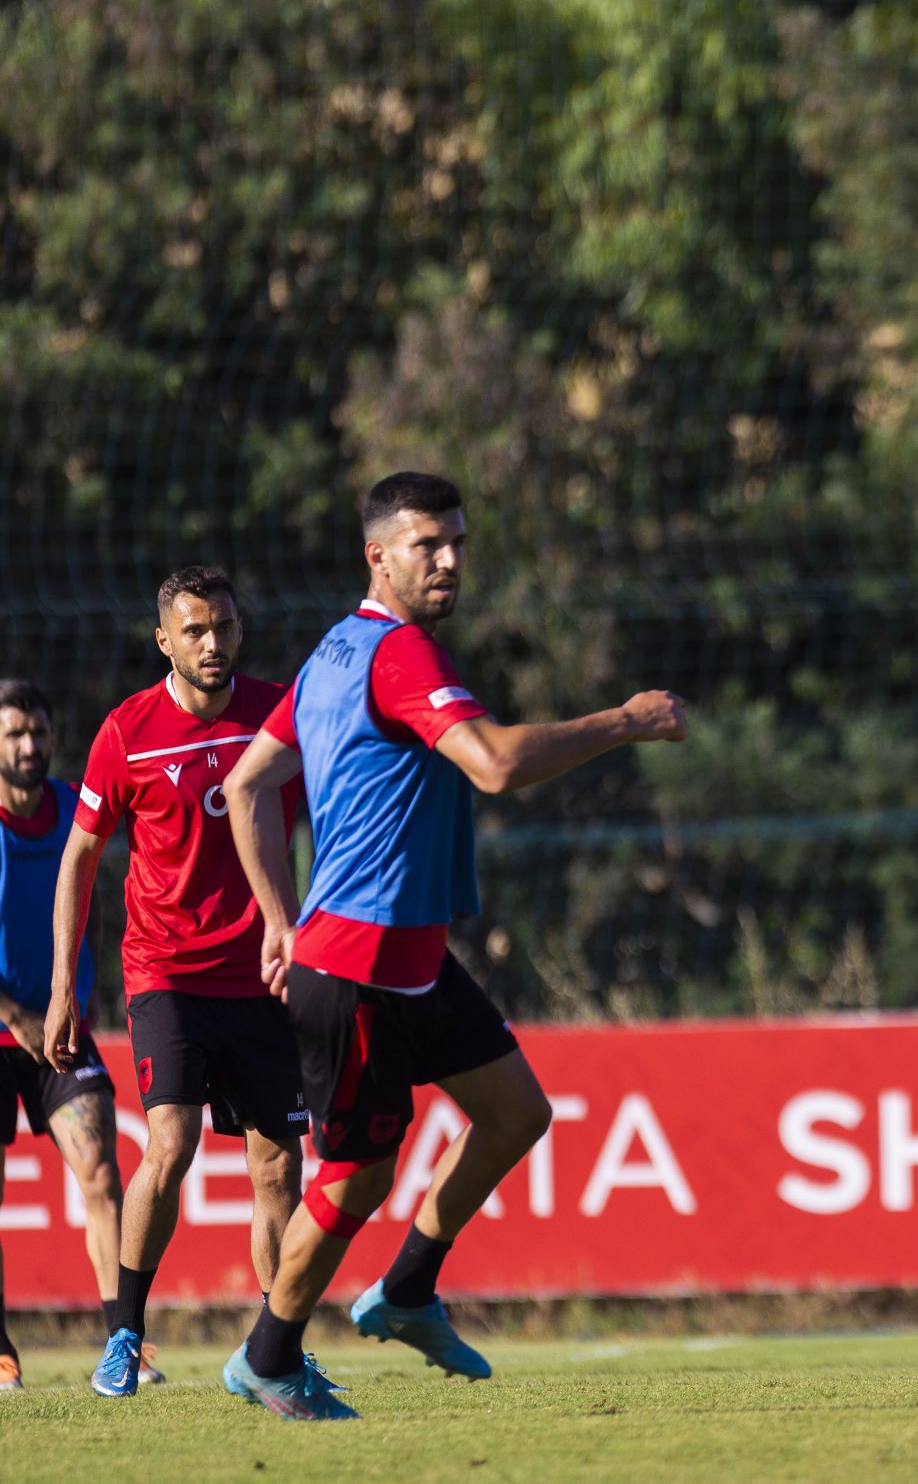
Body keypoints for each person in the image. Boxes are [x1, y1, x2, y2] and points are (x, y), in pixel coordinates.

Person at [221, 471, 686, 1420]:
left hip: (412, 963)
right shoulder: (394, 655)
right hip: (353, 969)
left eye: (459, 542)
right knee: (359, 1177)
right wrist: (626, 721)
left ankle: (406, 1291)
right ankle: (266, 1356)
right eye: (428, 544)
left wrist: (278, 914)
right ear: (378, 555)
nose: (449, 561)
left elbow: (248, 781)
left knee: (517, 1113)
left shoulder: (332, 653)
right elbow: (498, 764)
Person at [48, 567, 310, 1397]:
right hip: (165, 971)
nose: (212, 643)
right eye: (195, 629)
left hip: (261, 973)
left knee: (278, 1169)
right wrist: (64, 985)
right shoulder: (126, 731)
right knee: (172, 1143)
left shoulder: (277, 714)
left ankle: (275, 1351)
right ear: (165, 639)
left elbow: (318, 820)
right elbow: (80, 858)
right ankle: (124, 1333)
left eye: (224, 626)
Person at [0, 680, 129, 1392]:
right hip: (9, 1027)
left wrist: (77, 996)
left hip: (61, 1031)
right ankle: (0, 1350)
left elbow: (91, 901)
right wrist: (15, 1014)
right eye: (14, 732)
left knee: (103, 1173)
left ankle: (123, 1340)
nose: (28, 745)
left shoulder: (70, 806)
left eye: (38, 731)